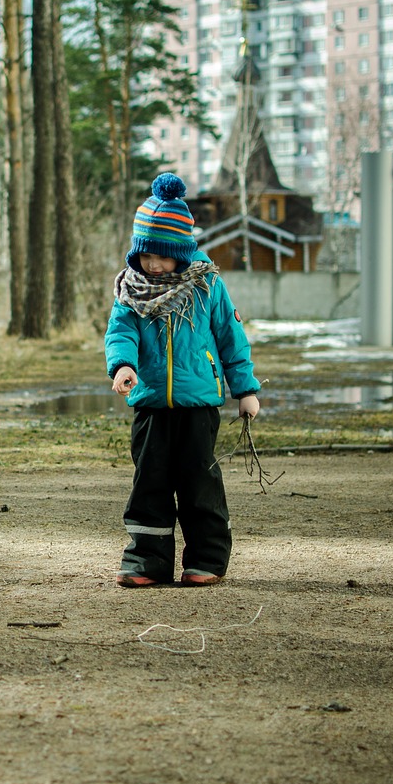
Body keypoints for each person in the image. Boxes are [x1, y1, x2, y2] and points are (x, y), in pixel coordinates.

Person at [104, 172, 261, 588]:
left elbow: (231, 337)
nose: (153, 264)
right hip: (151, 404)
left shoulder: (207, 285)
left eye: (163, 256)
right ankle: (146, 561)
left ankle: (207, 557)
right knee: (150, 483)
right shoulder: (130, 291)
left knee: (199, 483)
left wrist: (244, 390)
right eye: (147, 255)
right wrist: (123, 366)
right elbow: (121, 332)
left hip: (199, 406)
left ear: (182, 252)